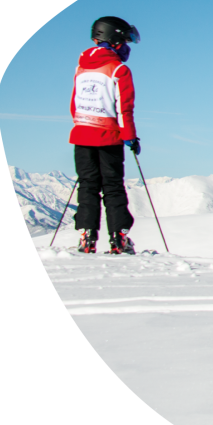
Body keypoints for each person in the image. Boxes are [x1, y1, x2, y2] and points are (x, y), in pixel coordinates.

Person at [69, 16, 142, 255]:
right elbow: (124, 109)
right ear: (115, 39)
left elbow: (74, 105)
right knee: (112, 186)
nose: (126, 46)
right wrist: (130, 138)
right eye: (124, 40)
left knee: (88, 185)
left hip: (81, 135)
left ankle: (86, 236)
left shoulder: (81, 68)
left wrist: (82, 125)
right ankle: (119, 238)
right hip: (108, 137)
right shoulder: (118, 70)